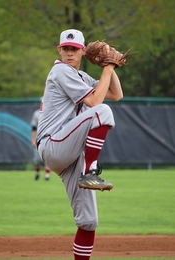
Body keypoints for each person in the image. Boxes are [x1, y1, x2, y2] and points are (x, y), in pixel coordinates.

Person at [36, 29, 123, 260]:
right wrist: (108, 67)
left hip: (70, 155)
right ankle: (91, 171)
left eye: (74, 49)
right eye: (66, 48)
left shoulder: (82, 77)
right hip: (53, 143)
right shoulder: (60, 70)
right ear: (59, 50)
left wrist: (109, 65)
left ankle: (88, 171)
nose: (70, 53)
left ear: (83, 51)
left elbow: (116, 93)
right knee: (102, 111)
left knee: (88, 221)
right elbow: (96, 102)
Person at [30, 108, 51, 181]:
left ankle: (47, 176)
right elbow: (33, 128)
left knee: (47, 158)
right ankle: (37, 174)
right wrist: (33, 140)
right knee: (36, 160)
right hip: (38, 139)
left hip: (47, 138)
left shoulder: (50, 112)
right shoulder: (36, 113)